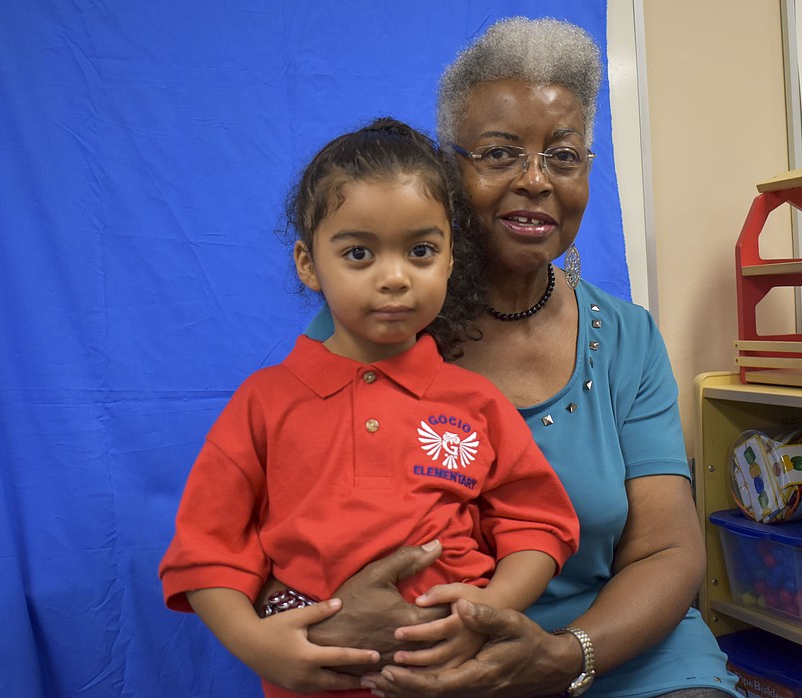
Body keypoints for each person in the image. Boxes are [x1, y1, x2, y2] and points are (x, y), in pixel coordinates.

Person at [292, 17, 743, 698]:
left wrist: (566, 655)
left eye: (562, 156)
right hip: (427, 661)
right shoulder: (371, 327)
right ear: (448, 169)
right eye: (500, 153)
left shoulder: (625, 337)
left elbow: (668, 551)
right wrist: (331, 618)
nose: (536, 180)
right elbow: (282, 525)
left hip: (612, 651)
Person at [158, 117, 580, 698]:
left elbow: (538, 525)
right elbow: (206, 553)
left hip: (465, 681)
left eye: (421, 251)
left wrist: (489, 608)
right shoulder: (264, 404)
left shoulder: (476, 403)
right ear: (309, 264)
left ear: (451, 260)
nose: (394, 278)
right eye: (359, 252)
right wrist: (261, 648)